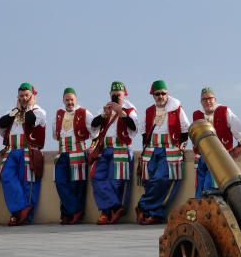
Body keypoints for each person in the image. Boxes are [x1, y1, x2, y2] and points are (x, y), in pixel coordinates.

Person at [136, 80, 190, 225]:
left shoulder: (176, 109)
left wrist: (182, 146)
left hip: (170, 149)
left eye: (163, 93)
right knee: (149, 181)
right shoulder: (148, 111)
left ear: (168, 94)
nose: (160, 96)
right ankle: (154, 214)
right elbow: (142, 129)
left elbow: (185, 128)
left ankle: (143, 206)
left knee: (161, 180)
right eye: (157, 94)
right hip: (151, 150)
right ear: (153, 95)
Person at [0, 82, 46, 226]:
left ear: (32, 96)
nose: (24, 98)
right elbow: (1, 123)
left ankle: (23, 215)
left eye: (26, 96)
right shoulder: (14, 112)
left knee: (28, 182)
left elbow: (32, 121)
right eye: (21, 96)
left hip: (28, 150)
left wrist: (29, 106)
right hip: (12, 151)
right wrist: (16, 110)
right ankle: (20, 209)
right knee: (6, 176)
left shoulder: (39, 111)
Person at [90, 81, 139, 224]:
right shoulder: (105, 108)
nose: (116, 97)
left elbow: (134, 127)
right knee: (96, 177)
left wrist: (121, 112)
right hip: (105, 148)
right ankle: (116, 206)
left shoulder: (130, 109)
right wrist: (103, 116)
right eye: (114, 94)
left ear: (124, 94)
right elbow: (93, 125)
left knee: (115, 181)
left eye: (118, 94)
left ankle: (106, 212)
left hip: (121, 148)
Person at [192, 87, 241, 198]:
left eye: (210, 98)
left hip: (219, 156)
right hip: (202, 156)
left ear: (215, 99)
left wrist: (240, 146)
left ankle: (208, 208)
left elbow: (240, 129)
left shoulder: (224, 111)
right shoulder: (197, 114)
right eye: (204, 99)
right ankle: (199, 208)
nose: (207, 101)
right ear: (201, 102)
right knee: (200, 186)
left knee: (210, 185)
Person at [53, 87, 93, 224]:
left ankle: (69, 213)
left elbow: (95, 131)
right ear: (63, 100)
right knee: (60, 182)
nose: (69, 102)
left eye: (72, 99)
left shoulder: (84, 112)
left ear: (76, 99)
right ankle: (75, 210)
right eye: (67, 100)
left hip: (78, 151)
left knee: (77, 185)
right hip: (63, 152)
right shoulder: (59, 114)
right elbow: (54, 134)